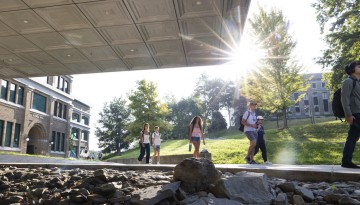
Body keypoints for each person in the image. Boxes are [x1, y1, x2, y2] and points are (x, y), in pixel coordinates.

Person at [341, 61, 360, 168]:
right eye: (359, 66)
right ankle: (346, 161)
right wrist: (348, 115)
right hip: (355, 114)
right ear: (353, 69)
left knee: (353, 137)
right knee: (352, 138)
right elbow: (345, 99)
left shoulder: (358, 82)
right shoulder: (348, 81)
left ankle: (346, 161)